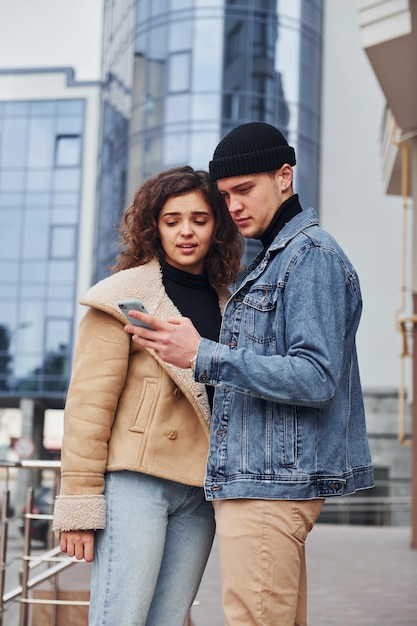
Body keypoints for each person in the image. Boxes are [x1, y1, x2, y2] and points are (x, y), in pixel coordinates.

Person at [124, 122, 375, 626]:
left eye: (244, 190)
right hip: (259, 481)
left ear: (285, 177)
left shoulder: (310, 257)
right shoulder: (277, 259)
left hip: (268, 487)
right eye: (225, 195)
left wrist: (203, 354)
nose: (233, 206)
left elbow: (316, 376)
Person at [52, 165, 243, 626]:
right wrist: (79, 504)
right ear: (154, 227)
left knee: (169, 620)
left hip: (200, 489)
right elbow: (87, 407)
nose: (186, 232)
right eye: (172, 220)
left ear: (216, 225)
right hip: (135, 482)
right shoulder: (121, 297)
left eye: (199, 219)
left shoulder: (232, 302)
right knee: (120, 617)